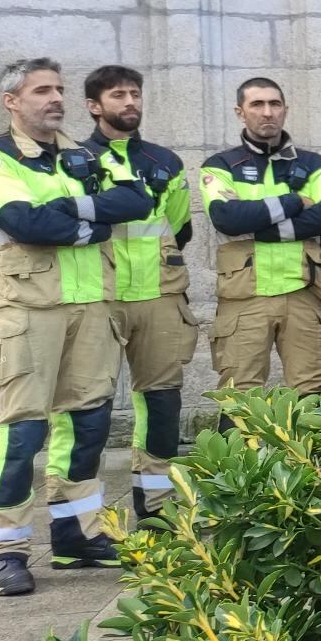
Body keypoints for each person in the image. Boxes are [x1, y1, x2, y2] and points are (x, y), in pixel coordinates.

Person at [0, 59, 147, 595]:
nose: (56, 98)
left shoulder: (84, 153)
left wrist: (69, 208)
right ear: (11, 101)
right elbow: (26, 223)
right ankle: (1, 548)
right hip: (27, 311)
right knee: (22, 431)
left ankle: (77, 535)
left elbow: (135, 199)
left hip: (91, 308)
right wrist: (90, 220)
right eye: (42, 90)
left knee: (87, 426)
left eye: (60, 89)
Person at [83, 65, 195, 521]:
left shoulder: (165, 162)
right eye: (117, 95)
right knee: (87, 412)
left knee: (162, 404)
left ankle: (157, 510)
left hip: (159, 296)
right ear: (94, 106)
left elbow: (180, 227)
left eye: (134, 94)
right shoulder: (74, 159)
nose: (130, 102)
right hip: (100, 297)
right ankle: (81, 526)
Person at [199, 77, 321, 410]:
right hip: (245, 297)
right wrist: (295, 200)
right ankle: (237, 464)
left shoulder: (314, 165)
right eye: (257, 105)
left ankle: (313, 464)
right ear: (240, 112)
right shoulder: (221, 165)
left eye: (274, 104)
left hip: (302, 294)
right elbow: (228, 219)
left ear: (285, 110)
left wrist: (258, 225)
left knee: (315, 392)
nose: (268, 113)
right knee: (240, 395)